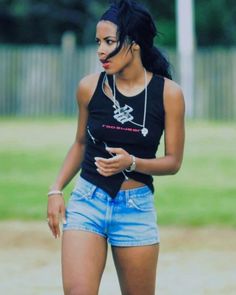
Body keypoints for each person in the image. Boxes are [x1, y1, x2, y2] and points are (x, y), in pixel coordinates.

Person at [47, 0, 185, 294]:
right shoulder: (88, 87)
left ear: (134, 44)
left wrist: (131, 162)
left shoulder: (168, 94)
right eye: (98, 41)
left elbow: (173, 162)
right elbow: (81, 143)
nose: (100, 50)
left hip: (135, 209)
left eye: (109, 41)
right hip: (87, 201)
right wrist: (56, 189)